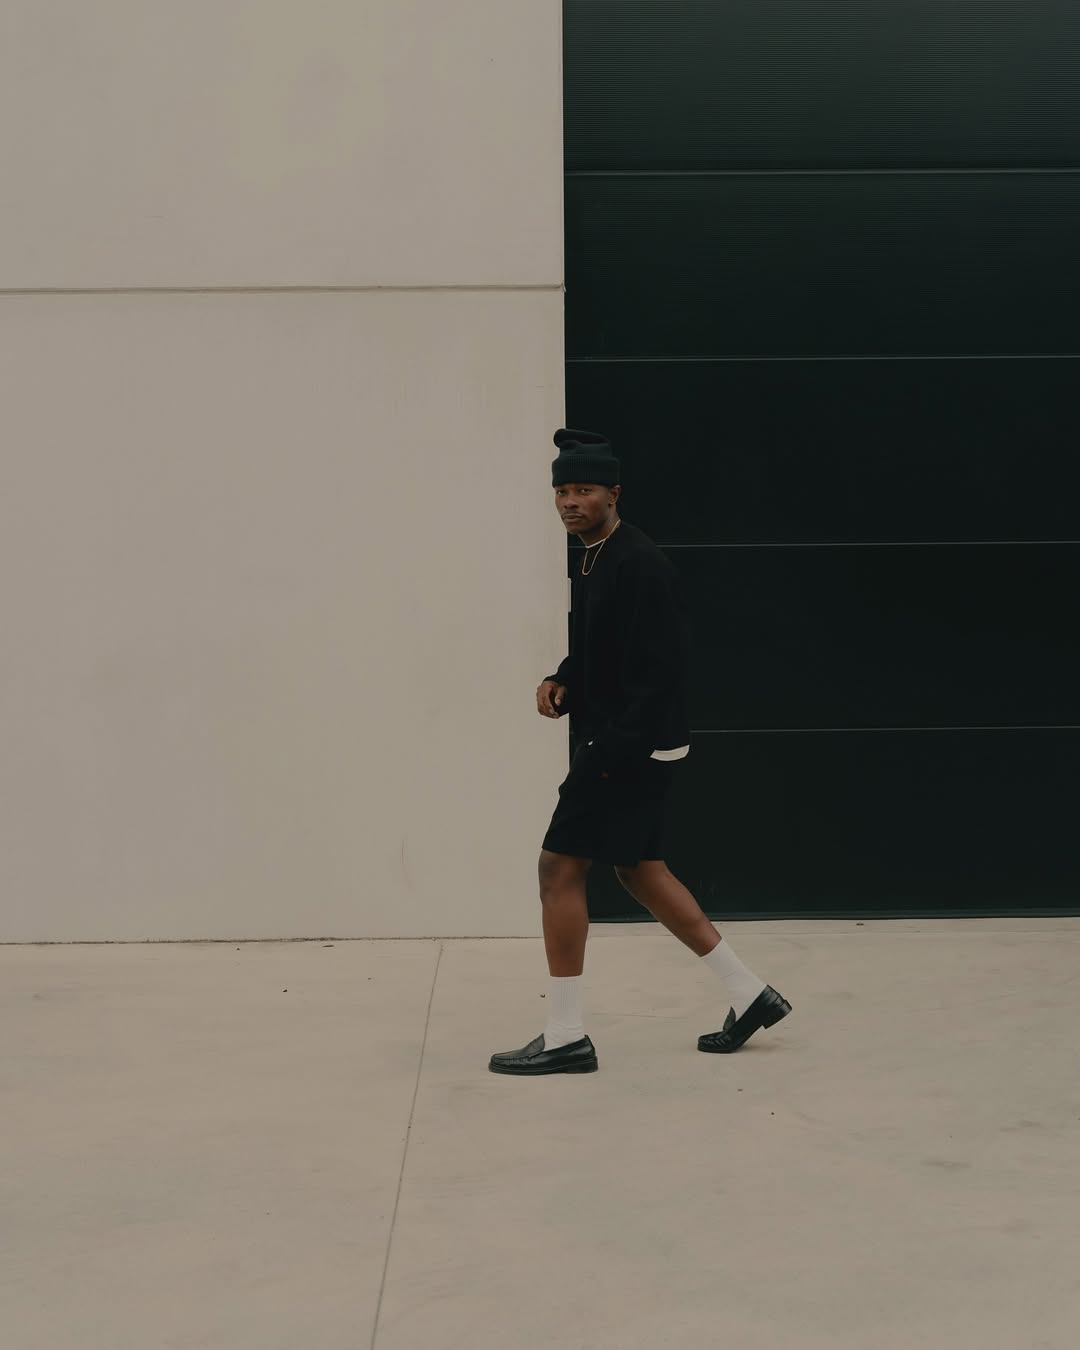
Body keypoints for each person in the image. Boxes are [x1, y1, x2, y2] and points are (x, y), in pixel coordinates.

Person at [489, 428, 791, 1076]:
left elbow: (660, 677)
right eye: (562, 491)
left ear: (613, 494)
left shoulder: (640, 563)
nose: (570, 501)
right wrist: (565, 677)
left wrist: (604, 752)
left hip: (632, 744)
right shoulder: (598, 555)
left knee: (557, 870)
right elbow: (604, 648)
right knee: (639, 869)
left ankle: (566, 1035)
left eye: (584, 490)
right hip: (634, 740)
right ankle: (749, 994)